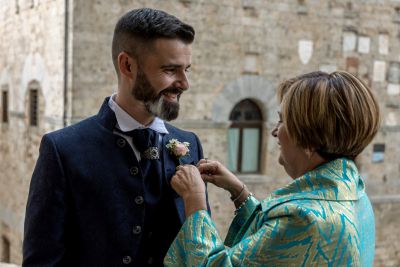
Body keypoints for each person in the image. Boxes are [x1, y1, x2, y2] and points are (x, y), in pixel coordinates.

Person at [23, 8, 209, 266]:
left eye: (186, 69)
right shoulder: (62, 150)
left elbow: (201, 250)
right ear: (127, 65)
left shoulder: (191, 146)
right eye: (170, 70)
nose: (185, 83)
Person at [165, 71, 379, 266]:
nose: (275, 132)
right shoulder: (355, 196)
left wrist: (195, 203)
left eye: (282, 121)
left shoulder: (305, 219)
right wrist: (241, 193)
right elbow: (275, 250)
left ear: (310, 139)